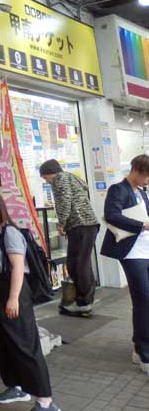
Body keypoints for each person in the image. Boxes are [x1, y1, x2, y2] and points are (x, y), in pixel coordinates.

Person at [0, 189, 63, 411]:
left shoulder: (9, 233)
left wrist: (13, 298)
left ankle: (46, 403)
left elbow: (17, 268)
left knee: (24, 345)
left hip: (11, 289)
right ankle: (15, 387)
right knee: (1, 342)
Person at [102, 154, 149, 376]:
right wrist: (143, 224)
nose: (148, 181)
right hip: (131, 253)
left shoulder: (141, 191)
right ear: (138, 170)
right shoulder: (118, 189)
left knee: (145, 301)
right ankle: (143, 352)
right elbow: (111, 215)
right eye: (147, 176)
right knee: (143, 301)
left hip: (146, 250)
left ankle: (138, 344)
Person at [39, 159, 99, 313]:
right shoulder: (71, 177)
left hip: (80, 225)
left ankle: (84, 301)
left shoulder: (59, 179)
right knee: (81, 263)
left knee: (77, 264)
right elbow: (84, 188)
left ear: (49, 173)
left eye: (45, 177)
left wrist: (61, 223)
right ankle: (84, 298)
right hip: (88, 225)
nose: (46, 181)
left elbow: (64, 202)